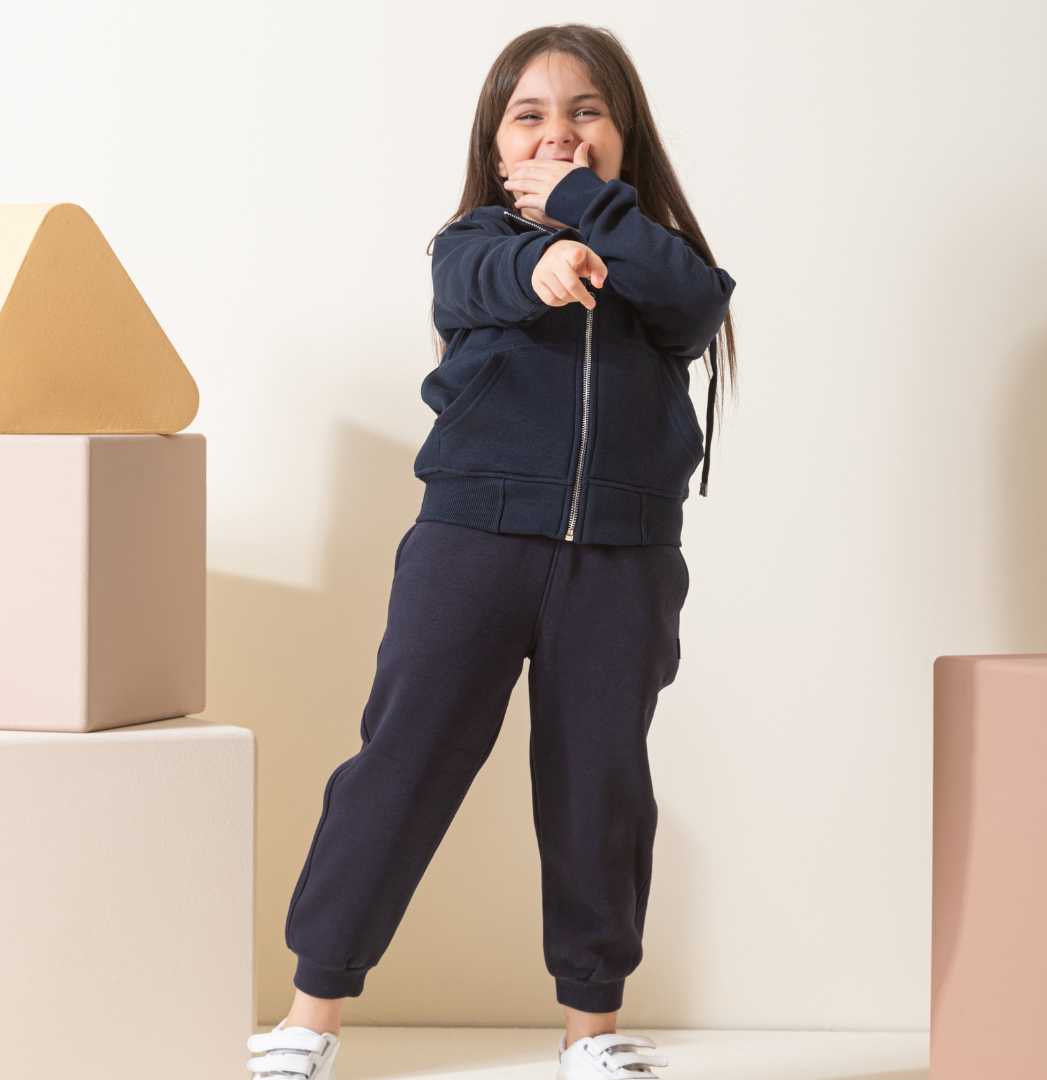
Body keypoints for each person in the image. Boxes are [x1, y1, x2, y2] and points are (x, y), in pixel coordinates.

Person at [247, 23, 735, 1080]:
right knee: (402, 764)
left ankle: (591, 1034)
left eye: (586, 112)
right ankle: (309, 1016)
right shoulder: (469, 245)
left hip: (623, 559)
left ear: (625, 134)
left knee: (600, 785)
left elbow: (699, 304)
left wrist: (590, 211)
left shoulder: (657, 258)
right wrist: (546, 255)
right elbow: (482, 283)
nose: (559, 133)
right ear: (495, 142)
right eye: (531, 116)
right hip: (471, 545)